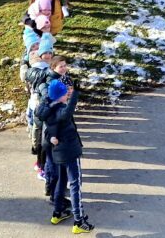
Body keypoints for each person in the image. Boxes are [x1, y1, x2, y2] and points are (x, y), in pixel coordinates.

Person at [38, 78, 94, 233]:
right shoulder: (61, 110)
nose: (67, 94)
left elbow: (50, 129)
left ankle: (58, 212)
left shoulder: (47, 107)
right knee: (75, 184)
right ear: (60, 95)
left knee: (62, 181)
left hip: (57, 154)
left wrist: (51, 137)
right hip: (69, 152)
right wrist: (76, 92)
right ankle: (79, 221)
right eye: (65, 93)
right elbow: (68, 111)